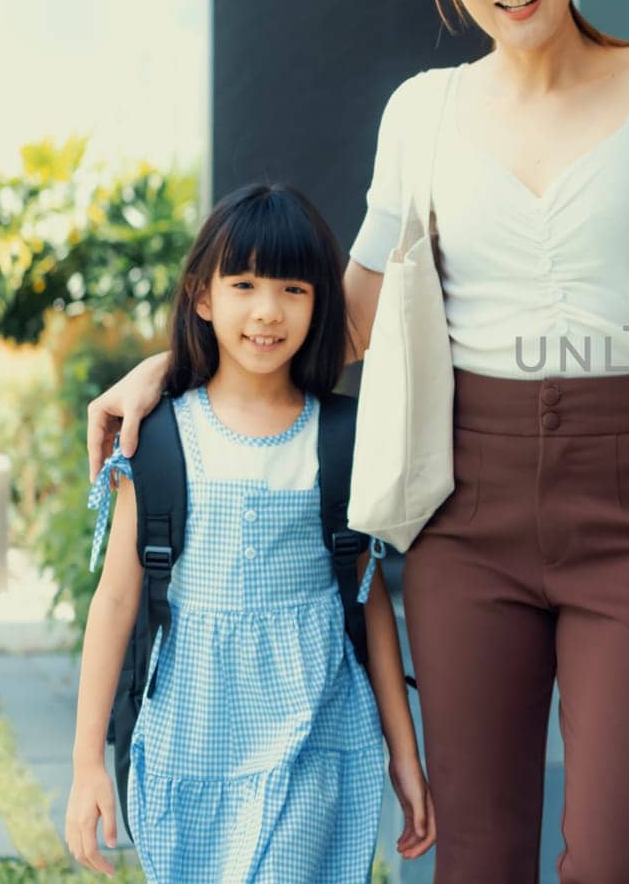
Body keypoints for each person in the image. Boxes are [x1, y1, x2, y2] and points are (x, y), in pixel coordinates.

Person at [87, 0, 629, 883]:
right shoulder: (423, 114)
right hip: (465, 509)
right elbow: (343, 318)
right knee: (479, 852)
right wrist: (164, 369)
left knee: (623, 852)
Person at [67, 184, 435, 881]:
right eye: (243, 284)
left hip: (316, 731)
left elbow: (368, 597)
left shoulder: (339, 437)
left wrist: (403, 751)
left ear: (320, 300)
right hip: (192, 741)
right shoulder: (163, 437)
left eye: (292, 288)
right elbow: (115, 601)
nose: (267, 310)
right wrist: (88, 760)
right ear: (202, 297)